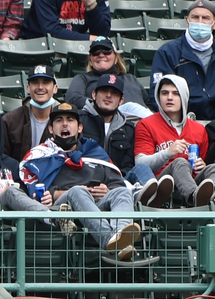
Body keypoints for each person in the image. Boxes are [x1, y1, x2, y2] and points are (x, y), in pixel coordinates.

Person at [19, 103, 140, 260]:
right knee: (78, 191)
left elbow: (117, 182)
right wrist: (62, 193)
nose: (64, 124)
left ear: (80, 128)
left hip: (96, 204)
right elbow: (37, 192)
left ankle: (122, 238)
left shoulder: (94, 151)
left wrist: (107, 191)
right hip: (63, 208)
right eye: (59, 120)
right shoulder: (40, 155)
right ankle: (109, 239)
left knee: (122, 192)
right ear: (50, 129)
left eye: (70, 120)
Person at [134, 74, 215, 207]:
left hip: (191, 180)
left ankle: (213, 196)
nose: (169, 97)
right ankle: (194, 198)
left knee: (214, 168)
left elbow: (199, 167)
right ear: (158, 96)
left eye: (175, 93)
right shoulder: (146, 124)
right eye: (164, 93)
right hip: (162, 185)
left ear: (183, 97)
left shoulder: (199, 129)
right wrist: (168, 153)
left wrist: (201, 166)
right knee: (180, 162)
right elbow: (140, 164)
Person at [78, 73, 169, 206]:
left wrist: (111, 187)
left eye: (114, 93)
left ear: (121, 101)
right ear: (93, 95)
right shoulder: (79, 121)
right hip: (86, 184)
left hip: (117, 184)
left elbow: (127, 167)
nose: (109, 96)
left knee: (141, 168)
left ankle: (153, 205)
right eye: (104, 91)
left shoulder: (128, 129)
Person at [151, 0, 215, 122]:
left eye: (205, 18)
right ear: (187, 21)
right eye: (195, 17)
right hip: (178, 121)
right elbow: (158, 94)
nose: (200, 22)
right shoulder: (167, 52)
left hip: (214, 122)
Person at [65, 38, 153, 119]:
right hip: (108, 121)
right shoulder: (83, 79)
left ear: (116, 59)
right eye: (96, 52)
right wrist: (104, 106)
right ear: (90, 61)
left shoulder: (130, 78)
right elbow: (73, 99)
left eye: (106, 51)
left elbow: (149, 104)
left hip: (143, 124)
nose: (101, 55)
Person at [3, 64, 60, 161]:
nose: (40, 87)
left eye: (46, 82)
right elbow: (2, 158)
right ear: (28, 88)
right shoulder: (10, 121)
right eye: (35, 83)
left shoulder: (67, 121)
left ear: (55, 88)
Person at [20, 0, 109, 41]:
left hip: (77, 45)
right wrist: (89, 38)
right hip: (38, 43)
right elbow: (51, 31)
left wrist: (91, 4)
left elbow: (102, 34)